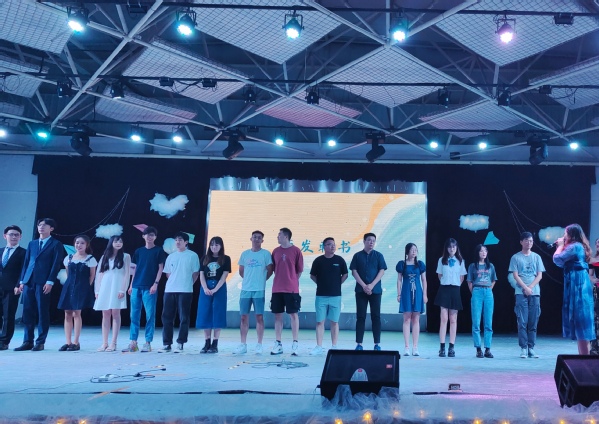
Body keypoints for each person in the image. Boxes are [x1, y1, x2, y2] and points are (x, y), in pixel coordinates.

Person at [14, 218, 64, 352]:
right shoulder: (32, 243)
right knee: (27, 311)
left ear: (51, 228)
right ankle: (27, 341)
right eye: (40, 225)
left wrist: (50, 281)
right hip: (29, 281)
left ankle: (40, 342)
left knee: (42, 311)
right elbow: (26, 263)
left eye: (45, 225)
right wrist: (22, 281)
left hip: (43, 281)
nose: (41, 227)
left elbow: (56, 264)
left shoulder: (56, 244)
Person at [553, 224, 595, 355]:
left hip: (578, 285)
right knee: (580, 324)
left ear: (572, 234)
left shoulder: (575, 246)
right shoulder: (577, 246)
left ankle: (585, 359)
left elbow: (557, 259)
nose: (564, 236)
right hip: (578, 283)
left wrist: (560, 246)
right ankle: (583, 358)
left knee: (581, 322)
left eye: (566, 233)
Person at [124, 226, 166, 353]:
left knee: (150, 315)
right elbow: (135, 269)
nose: (149, 237)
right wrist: (131, 285)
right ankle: (133, 342)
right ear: (143, 236)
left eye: (152, 235)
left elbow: (160, 268)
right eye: (147, 234)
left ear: (155, 237)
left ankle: (148, 342)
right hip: (136, 286)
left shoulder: (159, 251)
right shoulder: (138, 251)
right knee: (134, 315)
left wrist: (156, 284)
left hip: (149, 287)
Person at [234, 230, 273, 355]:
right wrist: (249, 281)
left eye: (259, 238)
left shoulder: (266, 254)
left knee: (259, 317)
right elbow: (241, 271)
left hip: (259, 290)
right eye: (254, 237)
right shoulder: (245, 254)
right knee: (243, 317)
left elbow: (270, 270)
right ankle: (243, 344)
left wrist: (261, 280)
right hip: (245, 290)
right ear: (250, 239)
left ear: (262, 240)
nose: (256, 239)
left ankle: (259, 344)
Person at [508, 231, 545, 359]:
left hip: (534, 292)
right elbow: (515, 275)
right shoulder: (515, 257)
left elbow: (540, 275)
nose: (529, 243)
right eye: (526, 240)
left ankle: (531, 348)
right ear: (521, 242)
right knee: (522, 321)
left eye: (531, 241)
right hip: (520, 292)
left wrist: (530, 287)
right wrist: (525, 288)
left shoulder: (537, 257)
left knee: (533, 321)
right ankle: (523, 348)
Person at [309, 237, 348, 355]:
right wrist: (321, 284)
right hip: (321, 296)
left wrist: (337, 284)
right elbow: (312, 275)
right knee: (320, 322)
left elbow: (345, 274)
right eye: (329, 244)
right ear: (324, 247)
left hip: (336, 296)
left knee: (334, 322)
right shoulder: (318, 261)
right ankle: (319, 346)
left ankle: (334, 346)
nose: (333, 246)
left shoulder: (339, 260)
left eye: (334, 244)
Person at [57, 235, 97, 352]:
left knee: (76, 313)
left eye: (82, 243)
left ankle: (76, 342)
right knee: (67, 313)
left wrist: (85, 288)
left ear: (87, 245)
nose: (79, 245)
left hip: (81, 288)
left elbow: (92, 275)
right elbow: (68, 273)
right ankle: (68, 342)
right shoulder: (68, 258)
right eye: (77, 242)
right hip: (69, 287)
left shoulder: (90, 259)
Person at [162, 232, 199, 352]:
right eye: (176, 240)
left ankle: (181, 342)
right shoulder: (171, 256)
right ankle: (167, 343)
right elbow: (168, 273)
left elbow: (195, 273)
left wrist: (188, 284)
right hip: (170, 290)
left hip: (185, 290)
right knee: (167, 317)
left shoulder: (192, 255)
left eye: (180, 240)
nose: (177, 242)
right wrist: (174, 282)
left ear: (186, 242)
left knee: (184, 317)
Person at [350, 232, 387, 351]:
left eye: (373, 240)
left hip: (375, 291)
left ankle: (377, 344)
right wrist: (364, 286)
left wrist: (371, 285)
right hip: (360, 291)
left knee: (376, 317)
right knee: (361, 317)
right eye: (369, 240)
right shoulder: (357, 256)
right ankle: (359, 344)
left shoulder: (379, 255)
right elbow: (354, 271)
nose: (371, 242)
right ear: (364, 241)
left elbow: (382, 271)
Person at [270, 227, 304, 356]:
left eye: (279, 235)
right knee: (278, 316)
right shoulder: (275, 251)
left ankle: (295, 343)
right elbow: (274, 269)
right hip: (277, 289)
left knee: (293, 315)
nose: (277, 237)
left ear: (286, 237)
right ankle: (278, 343)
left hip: (291, 290)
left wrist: (292, 281)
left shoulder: (296, 251)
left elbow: (299, 270)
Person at [94, 235, 130, 352]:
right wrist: (97, 290)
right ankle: (104, 343)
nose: (118, 243)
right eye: (116, 241)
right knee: (105, 314)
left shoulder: (126, 256)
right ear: (111, 243)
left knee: (115, 313)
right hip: (105, 287)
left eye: (120, 241)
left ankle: (113, 343)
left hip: (117, 287)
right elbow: (99, 274)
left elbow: (127, 274)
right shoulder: (105, 256)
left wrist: (122, 289)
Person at [197, 236, 231, 354]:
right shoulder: (204, 258)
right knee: (205, 313)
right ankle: (207, 342)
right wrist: (205, 288)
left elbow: (224, 276)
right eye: (212, 245)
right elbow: (201, 275)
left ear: (221, 246)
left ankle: (215, 343)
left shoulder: (226, 259)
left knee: (218, 313)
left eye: (216, 245)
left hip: (219, 288)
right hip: (206, 287)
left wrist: (216, 289)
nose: (214, 247)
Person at [435, 238, 467, 358]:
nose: (452, 249)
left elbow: (462, 277)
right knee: (444, 319)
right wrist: (446, 282)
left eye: (454, 247)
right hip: (444, 289)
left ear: (456, 248)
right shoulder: (441, 260)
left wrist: (455, 284)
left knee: (453, 319)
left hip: (455, 290)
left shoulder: (461, 261)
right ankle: (442, 347)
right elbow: (439, 275)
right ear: (446, 248)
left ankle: (451, 347)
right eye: (449, 247)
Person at [396, 243, 427, 357]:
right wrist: (399, 294)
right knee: (406, 319)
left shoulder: (420, 264)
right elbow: (399, 280)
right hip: (406, 292)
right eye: (412, 250)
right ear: (407, 251)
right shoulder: (402, 264)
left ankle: (415, 347)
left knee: (416, 319)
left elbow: (424, 280)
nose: (414, 252)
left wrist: (425, 294)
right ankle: (406, 347)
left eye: (415, 250)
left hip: (417, 292)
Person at [467, 244, 497, 359]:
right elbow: (469, 281)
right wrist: (474, 292)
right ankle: (478, 349)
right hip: (477, 291)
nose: (484, 253)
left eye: (485, 251)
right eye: (481, 251)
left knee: (488, 322)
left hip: (488, 292)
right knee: (476, 321)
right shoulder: (472, 266)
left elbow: (493, 280)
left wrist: (489, 289)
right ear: (477, 253)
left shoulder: (490, 266)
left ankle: (488, 349)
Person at [0, 225, 26, 350]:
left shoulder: (23, 252)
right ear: (5, 236)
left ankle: (4, 341)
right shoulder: (0, 251)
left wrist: (18, 285)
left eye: (16, 235)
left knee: (8, 316)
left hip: (12, 288)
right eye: (11, 234)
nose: (14, 237)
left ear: (20, 237)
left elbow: (23, 271)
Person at [589, 238, 599, 355]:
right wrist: (593, 279)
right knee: (596, 318)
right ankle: (595, 348)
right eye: (597, 243)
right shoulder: (593, 260)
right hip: (597, 290)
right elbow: (590, 275)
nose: (598, 245)